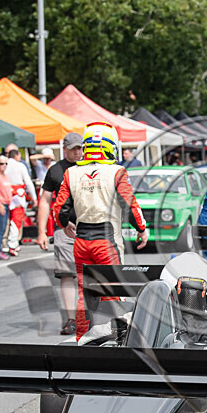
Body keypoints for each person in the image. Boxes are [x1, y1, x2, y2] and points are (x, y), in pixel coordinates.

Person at [54, 122, 149, 340]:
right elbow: (130, 203)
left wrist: (64, 224)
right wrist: (142, 229)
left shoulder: (71, 172)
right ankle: (117, 336)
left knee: (84, 293)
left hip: (81, 240)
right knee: (113, 290)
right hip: (107, 241)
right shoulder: (117, 171)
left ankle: (82, 338)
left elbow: (59, 209)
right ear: (110, 146)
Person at [36, 132, 83, 334]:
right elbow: (45, 201)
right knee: (67, 275)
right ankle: (70, 319)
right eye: (73, 148)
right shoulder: (56, 171)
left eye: (80, 147)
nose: (77, 152)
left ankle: (92, 316)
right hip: (64, 228)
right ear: (64, 149)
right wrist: (41, 232)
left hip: (89, 226)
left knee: (92, 275)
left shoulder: (91, 167)